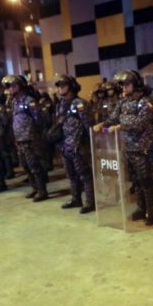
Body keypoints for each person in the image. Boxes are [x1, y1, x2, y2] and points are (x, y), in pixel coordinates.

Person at [100, 70, 153, 225]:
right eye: (122, 85)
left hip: (142, 149)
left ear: (135, 84)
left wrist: (120, 125)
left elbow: (140, 122)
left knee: (146, 181)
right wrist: (102, 124)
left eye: (127, 84)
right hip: (128, 148)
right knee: (136, 181)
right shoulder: (123, 102)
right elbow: (114, 117)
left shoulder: (144, 102)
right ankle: (141, 208)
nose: (124, 87)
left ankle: (151, 213)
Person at [2, 75, 49, 201]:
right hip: (19, 139)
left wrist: (35, 135)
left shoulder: (29, 101)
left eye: (13, 86)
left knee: (34, 166)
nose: (11, 89)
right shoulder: (14, 102)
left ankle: (42, 191)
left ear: (20, 86)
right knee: (26, 166)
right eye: (9, 86)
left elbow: (38, 119)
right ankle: (35, 188)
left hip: (30, 139)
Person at [54, 75, 95, 214]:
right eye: (59, 86)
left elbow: (88, 125)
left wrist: (88, 144)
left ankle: (90, 202)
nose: (60, 88)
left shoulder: (80, 104)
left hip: (78, 146)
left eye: (63, 85)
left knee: (85, 175)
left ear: (71, 86)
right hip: (65, 146)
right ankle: (76, 198)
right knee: (71, 175)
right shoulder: (60, 104)